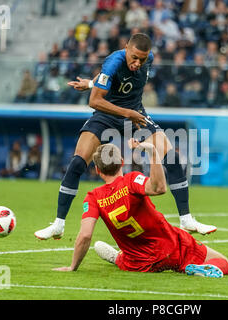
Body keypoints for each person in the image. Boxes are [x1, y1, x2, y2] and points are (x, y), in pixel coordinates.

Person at [34, 33, 216, 240]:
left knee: (172, 158)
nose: (138, 63)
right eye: (134, 57)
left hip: (135, 114)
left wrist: (92, 83)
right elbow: (94, 102)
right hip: (107, 114)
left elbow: (105, 78)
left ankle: (186, 219)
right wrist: (119, 107)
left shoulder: (150, 58)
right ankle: (58, 224)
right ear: (126, 47)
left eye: (143, 59)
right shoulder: (114, 60)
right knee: (77, 163)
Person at [53, 142, 228, 278]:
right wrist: (153, 153)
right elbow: (159, 188)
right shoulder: (131, 180)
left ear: (98, 170)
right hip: (171, 248)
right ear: (122, 162)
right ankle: (193, 268)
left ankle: (117, 258)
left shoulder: (93, 197)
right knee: (225, 263)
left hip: (138, 263)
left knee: (120, 257)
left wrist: (73, 267)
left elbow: (85, 235)